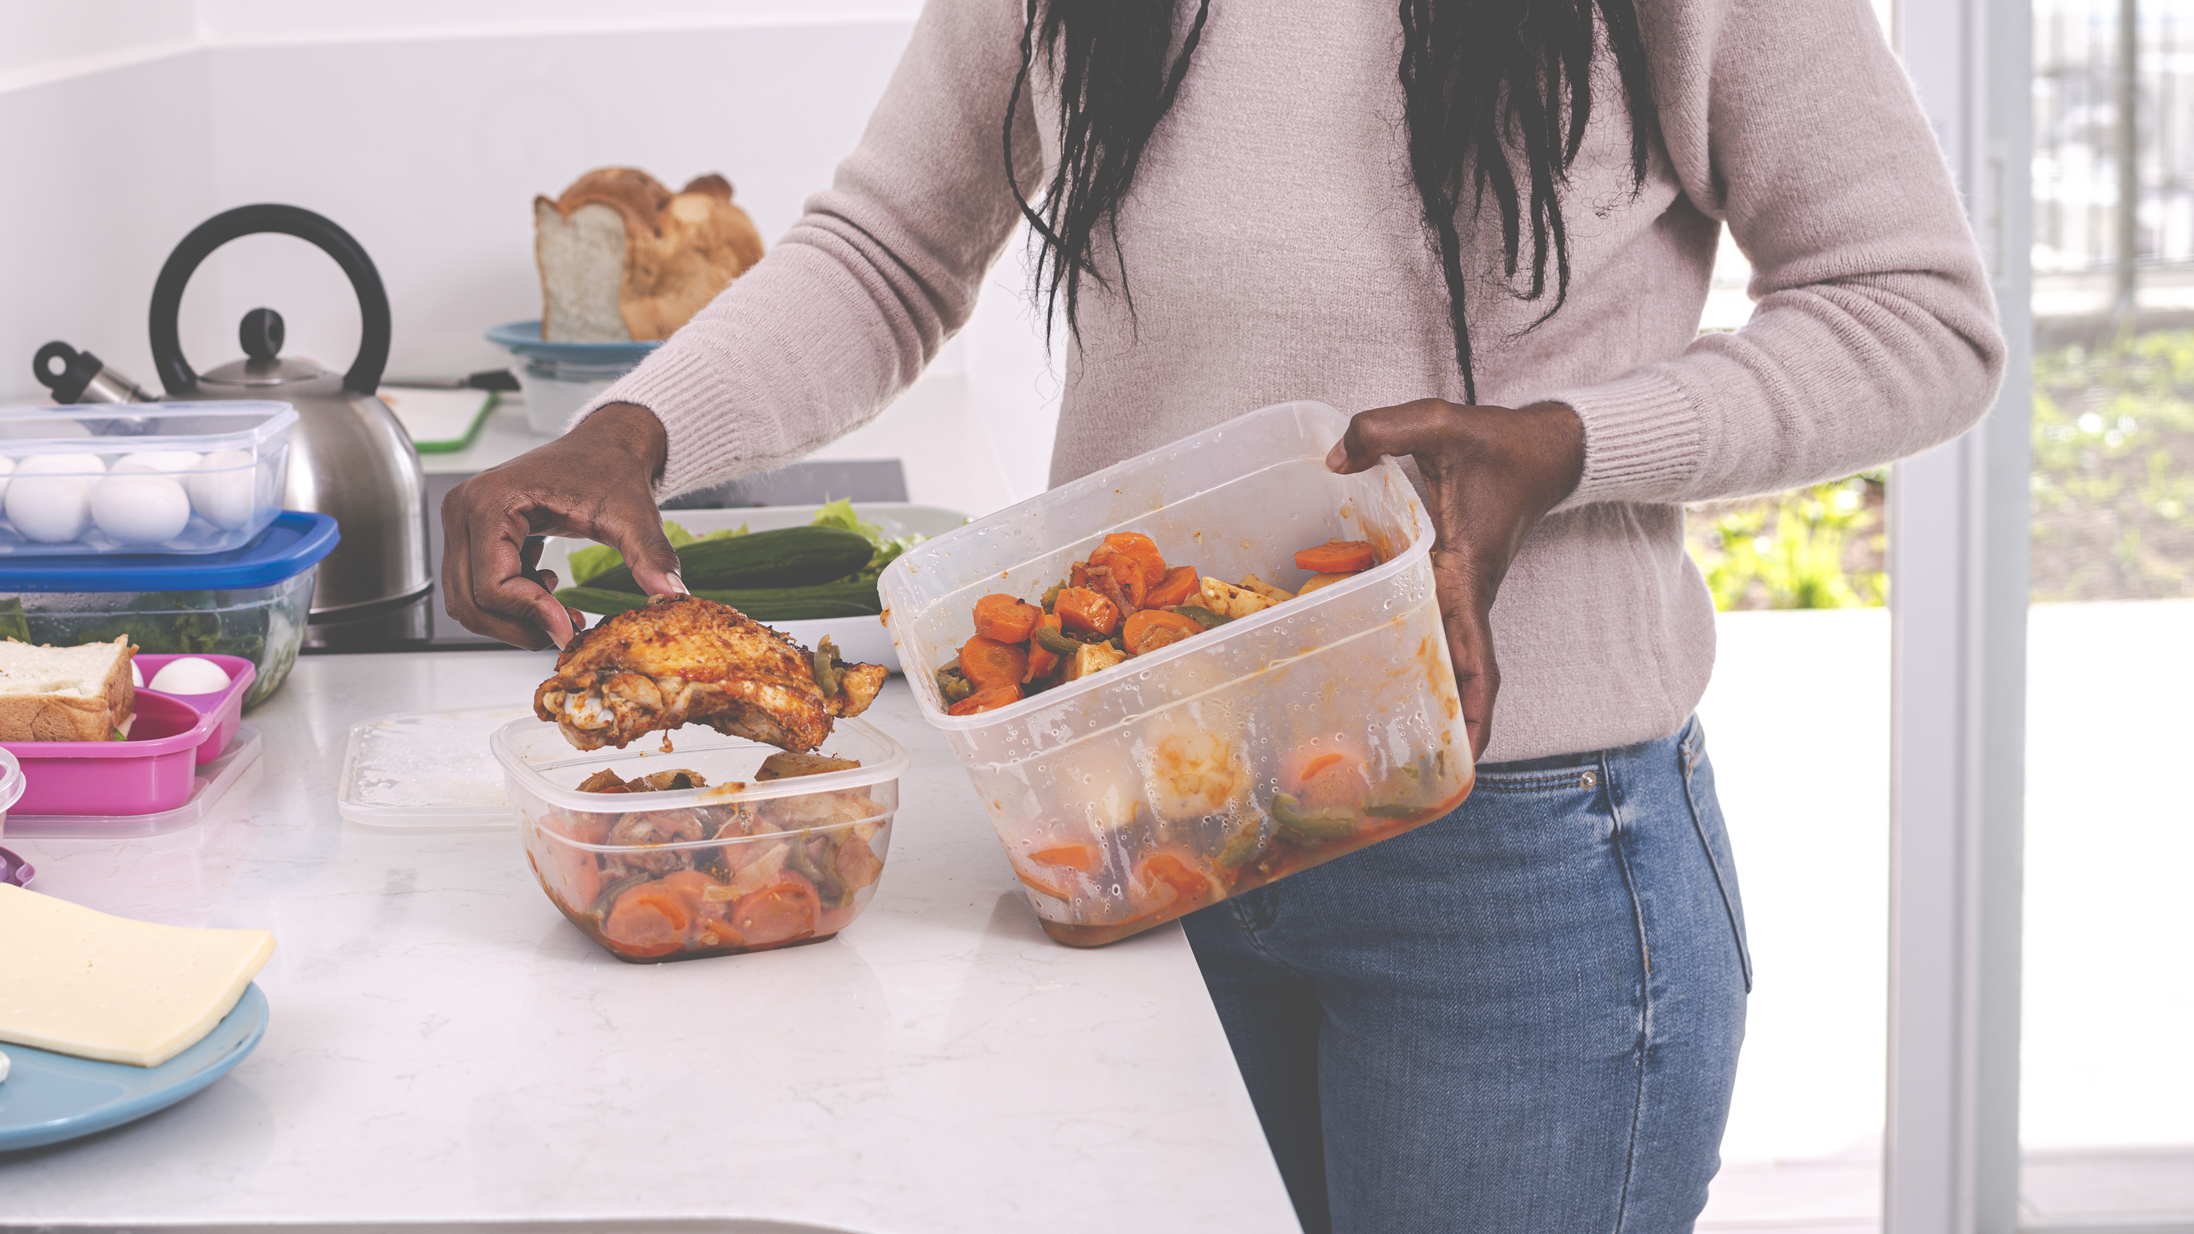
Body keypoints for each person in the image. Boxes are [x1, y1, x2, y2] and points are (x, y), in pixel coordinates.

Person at [443, 0, 1999, 1229]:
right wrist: (635, 433)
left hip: (1514, 866)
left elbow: (1913, 310)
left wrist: (1570, 444)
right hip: (1133, 828)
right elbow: (895, 245)